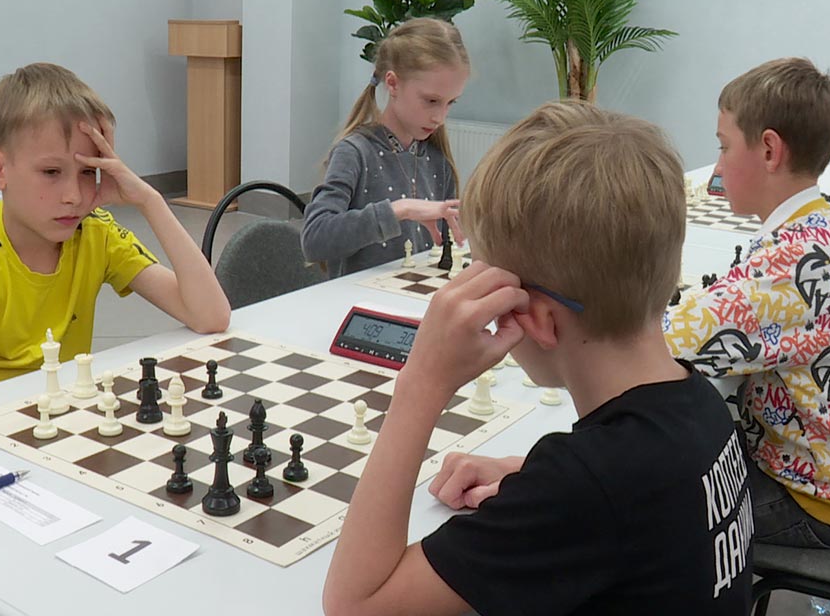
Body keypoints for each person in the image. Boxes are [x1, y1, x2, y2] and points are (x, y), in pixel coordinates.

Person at [322, 101, 753, 616]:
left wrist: (421, 383)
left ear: (540, 319)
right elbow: (644, 494)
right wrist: (527, 477)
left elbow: (356, 604)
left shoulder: (585, 485)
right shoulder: (699, 402)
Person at [664, 57, 830, 549]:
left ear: (770, 150)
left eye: (724, 146)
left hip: (815, 500)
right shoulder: (825, 223)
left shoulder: (790, 263)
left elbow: (662, 341)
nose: (717, 167)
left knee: (639, 509)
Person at [0, 62, 230, 392]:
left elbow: (211, 316)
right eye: (51, 172)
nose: (74, 196)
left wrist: (149, 200)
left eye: (88, 172)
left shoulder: (96, 234)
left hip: (68, 413)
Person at [302, 18, 469, 277]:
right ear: (392, 84)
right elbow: (315, 240)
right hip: (357, 298)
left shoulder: (437, 160)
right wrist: (400, 209)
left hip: (415, 296)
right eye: (431, 100)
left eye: (451, 103)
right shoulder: (355, 152)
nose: (440, 117)